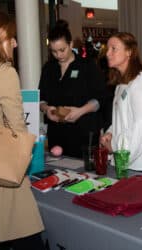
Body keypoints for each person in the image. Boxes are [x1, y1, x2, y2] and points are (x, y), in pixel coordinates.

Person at [0, 9, 45, 250]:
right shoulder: (4, 73)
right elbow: (18, 129)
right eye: (11, 36)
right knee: (27, 238)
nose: (16, 42)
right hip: (2, 174)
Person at [100, 32, 142, 175]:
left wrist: (116, 150)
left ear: (129, 52)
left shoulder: (140, 82)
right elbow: (123, 120)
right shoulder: (121, 83)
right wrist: (110, 133)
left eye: (114, 48)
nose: (108, 53)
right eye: (108, 49)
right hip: (129, 160)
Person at [39, 20, 106, 158]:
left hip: (83, 133)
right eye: (54, 51)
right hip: (57, 134)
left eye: (62, 50)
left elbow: (100, 99)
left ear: (70, 45)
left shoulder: (87, 66)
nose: (58, 55)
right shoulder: (48, 68)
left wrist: (80, 111)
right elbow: (41, 99)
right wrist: (47, 110)